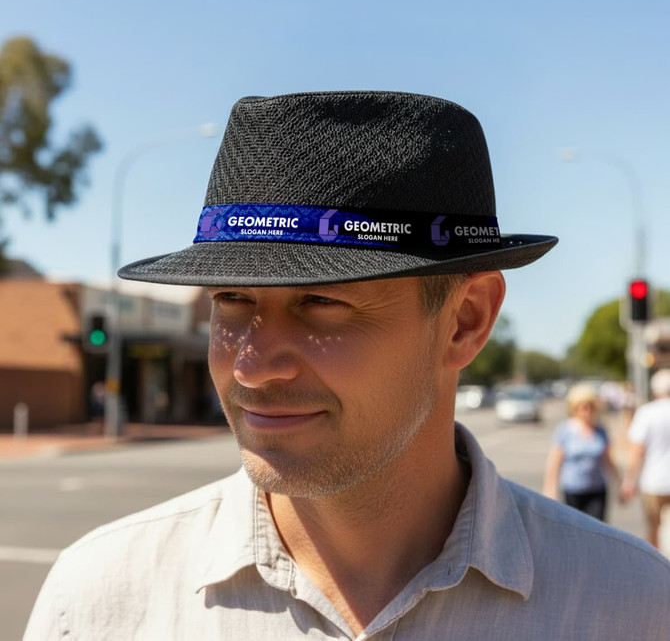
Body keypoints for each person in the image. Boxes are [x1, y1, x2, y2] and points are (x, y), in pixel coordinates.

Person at [24, 92, 669, 639]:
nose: (253, 366)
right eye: (232, 300)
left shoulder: (628, 606)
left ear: (466, 320)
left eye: (321, 303)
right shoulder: (99, 600)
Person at [542, 383, 621, 521]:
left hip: (597, 489)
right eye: (584, 407)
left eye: (591, 407)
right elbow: (554, 463)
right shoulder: (565, 431)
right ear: (574, 408)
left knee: (597, 528)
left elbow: (608, 460)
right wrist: (550, 490)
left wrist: (619, 483)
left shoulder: (600, 431)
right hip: (573, 489)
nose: (588, 411)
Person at [622, 368, 670, 550]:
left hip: (653, 482)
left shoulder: (647, 412)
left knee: (653, 528)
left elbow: (636, 451)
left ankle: (658, 570)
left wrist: (628, 480)